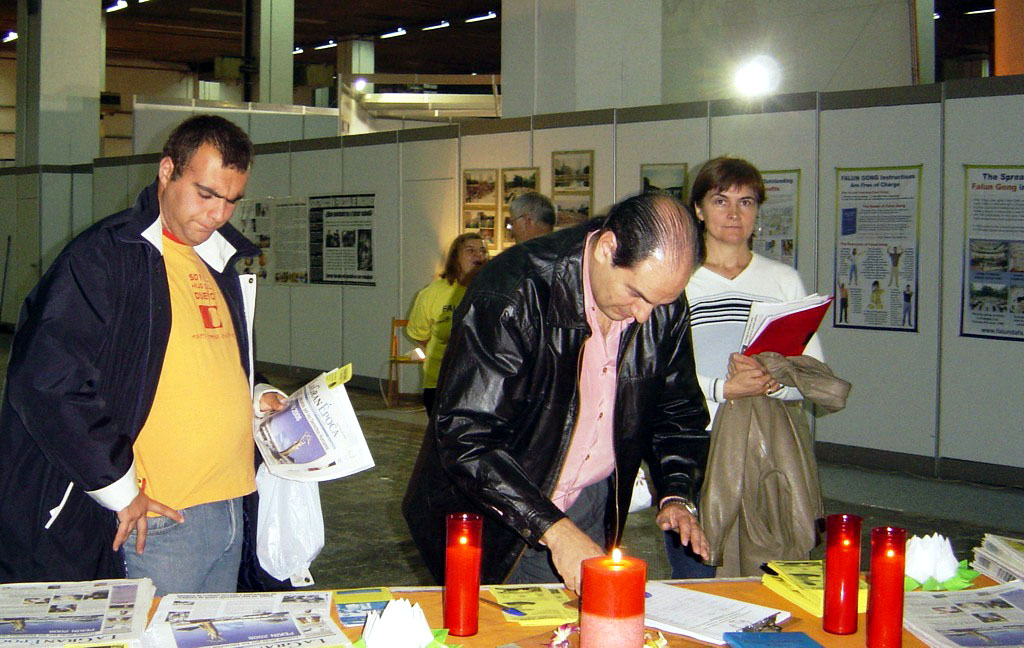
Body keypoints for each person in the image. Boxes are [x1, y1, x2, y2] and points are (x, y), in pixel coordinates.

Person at [0, 115, 286, 594]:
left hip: (230, 507)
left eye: (232, 200)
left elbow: (198, 362)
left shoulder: (218, 262)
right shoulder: (105, 257)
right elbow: (46, 383)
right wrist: (119, 490)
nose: (218, 214)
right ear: (167, 170)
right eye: (206, 194)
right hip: (158, 519)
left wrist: (255, 396)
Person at [403, 193, 711, 594]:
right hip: (501, 510)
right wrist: (553, 528)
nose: (644, 315)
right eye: (636, 294)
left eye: (661, 301)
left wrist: (677, 492)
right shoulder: (512, 291)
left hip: (589, 499)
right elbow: (467, 436)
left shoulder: (658, 299)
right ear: (606, 248)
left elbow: (678, 410)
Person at [667, 156, 825, 578]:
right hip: (693, 444)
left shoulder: (783, 280)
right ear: (698, 209)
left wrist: (773, 383)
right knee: (698, 576)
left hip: (766, 443)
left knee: (769, 575)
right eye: (720, 201)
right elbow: (658, 374)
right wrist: (724, 388)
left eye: (746, 202)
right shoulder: (678, 280)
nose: (734, 214)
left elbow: (812, 372)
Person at [406, 233, 489, 415]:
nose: (479, 255)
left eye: (483, 251)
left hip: (483, 383)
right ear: (455, 258)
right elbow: (419, 334)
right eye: (470, 251)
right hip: (441, 382)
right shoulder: (433, 293)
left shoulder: (494, 289)